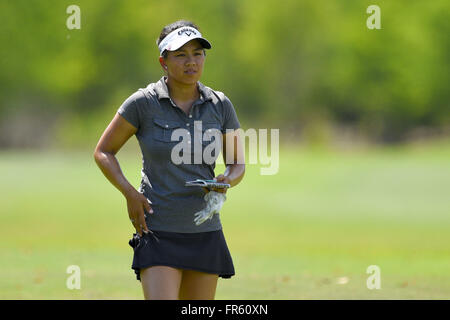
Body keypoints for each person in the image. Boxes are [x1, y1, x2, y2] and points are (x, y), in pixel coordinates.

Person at [93, 20, 245, 300]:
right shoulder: (143, 103)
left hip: (204, 231)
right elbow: (103, 152)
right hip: (158, 229)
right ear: (163, 62)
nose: (191, 62)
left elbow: (238, 163)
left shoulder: (220, 105)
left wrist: (227, 180)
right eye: (181, 55)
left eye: (197, 53)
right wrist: (129, 193)